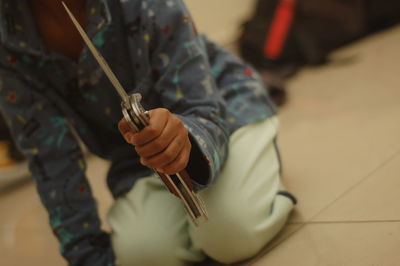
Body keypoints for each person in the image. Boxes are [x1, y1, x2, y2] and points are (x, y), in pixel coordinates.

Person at [0, 0, 296, 265]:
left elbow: (203, 109)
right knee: (143, 255)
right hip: (139, 162)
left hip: (226, 117)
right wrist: (86, 255)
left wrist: (186, 140)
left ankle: (258, 162)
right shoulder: (7, 41)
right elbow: (51, 159)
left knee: (232, 235)